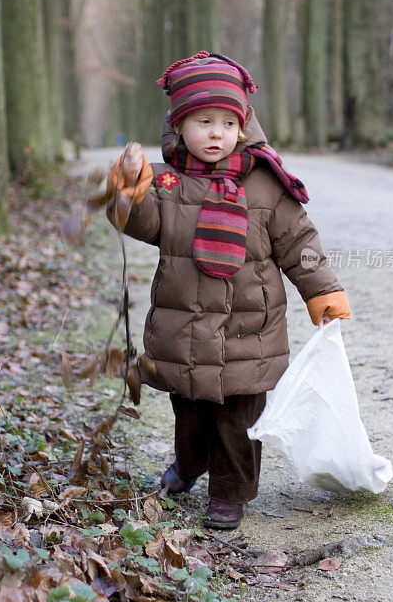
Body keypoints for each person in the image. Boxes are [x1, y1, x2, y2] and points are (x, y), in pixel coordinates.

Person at [106, 51, 350, 529]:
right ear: (180, 127)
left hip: (249, 333)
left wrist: (321, 290)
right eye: (202, 121)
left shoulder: (265, 183)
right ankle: (189, 464)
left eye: (225, 122)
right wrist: (131, 193)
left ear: (243, 126)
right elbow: (144, 224)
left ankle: (230, 492)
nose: (214, 133)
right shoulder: (168, 180)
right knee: (190, 411)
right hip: (186, 329)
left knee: (239, 422)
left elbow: (299, 240)